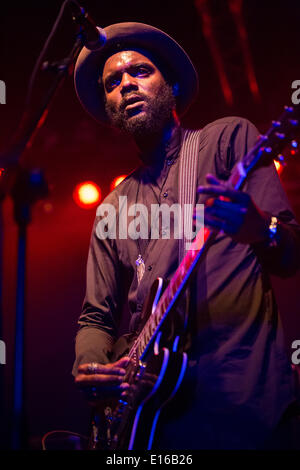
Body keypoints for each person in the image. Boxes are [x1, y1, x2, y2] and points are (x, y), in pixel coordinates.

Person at [72, 22, 300, 449]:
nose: (126, 85)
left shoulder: (228, 140)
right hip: (153, 418)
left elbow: (290, 254)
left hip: (243, 402)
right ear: (107, 107)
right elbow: (96, 317)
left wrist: (259, 228)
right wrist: (90, 364)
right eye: (113, 82)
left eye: (141, 71)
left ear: (172, 84)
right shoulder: (112, 206)